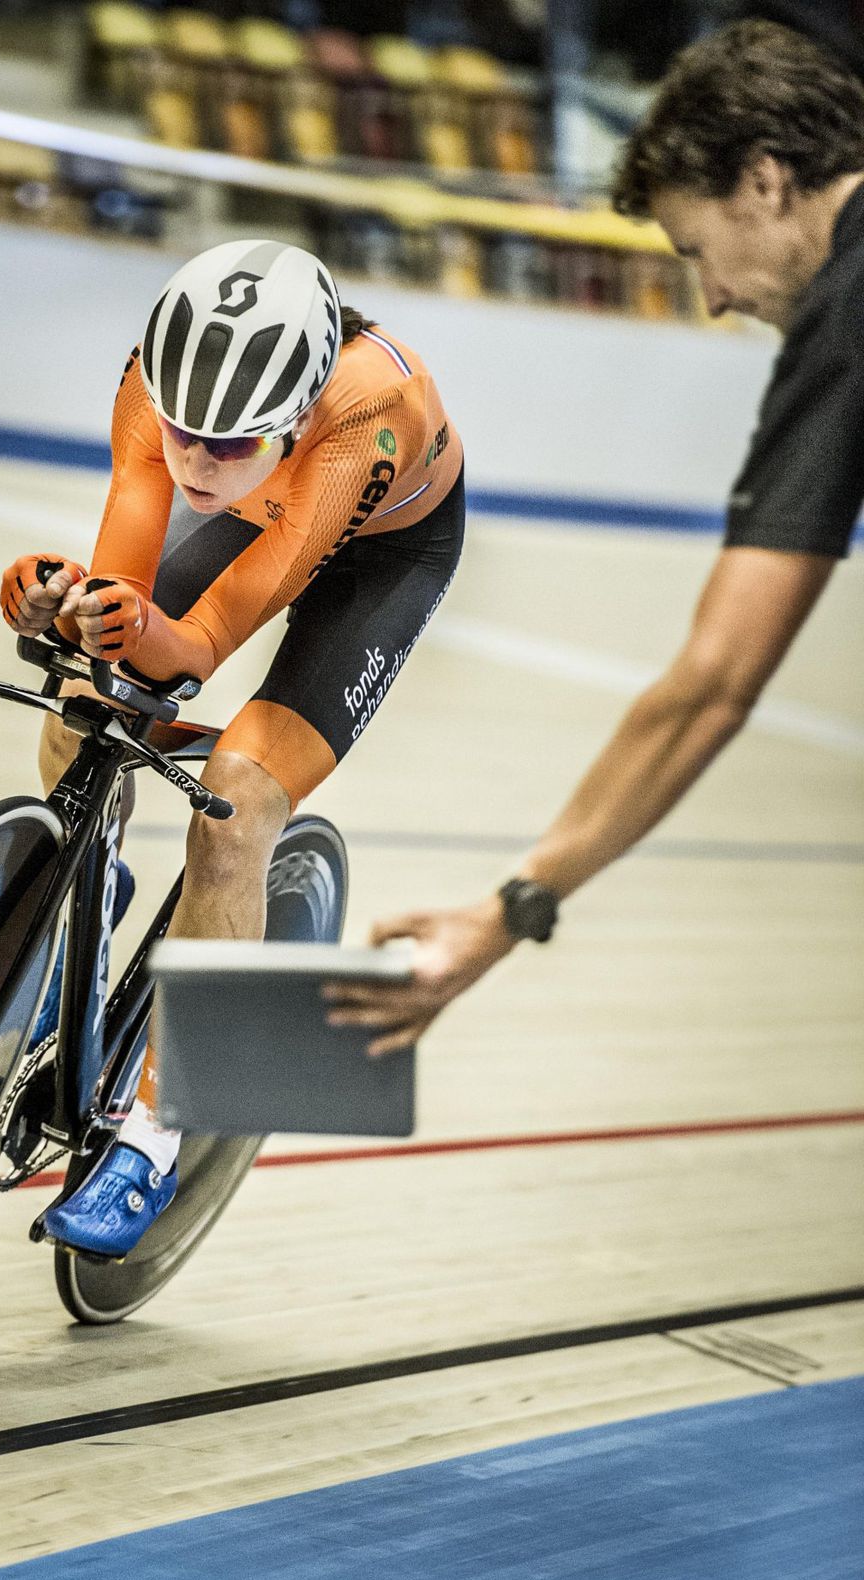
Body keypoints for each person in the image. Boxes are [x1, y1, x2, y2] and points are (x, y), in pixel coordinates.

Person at [325, 18, 864, 1053]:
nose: (712, 299)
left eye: (696, 251)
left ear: (765, 180)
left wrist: (507, 909)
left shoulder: (845, 313)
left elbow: (712, 684)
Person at [0, 238, 465, 1254]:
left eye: (231, 442)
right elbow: (126, 593)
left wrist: (142, 637)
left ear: (294, 414)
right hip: (273, 509)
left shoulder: (360, 416)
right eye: (184, 436)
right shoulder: (160, 384)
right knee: (89, 693)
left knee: (237, 801)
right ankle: (98, 885)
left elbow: (207, 638)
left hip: (379, 562)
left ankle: (156, 1138)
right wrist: (67, 609)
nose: (198, 461)